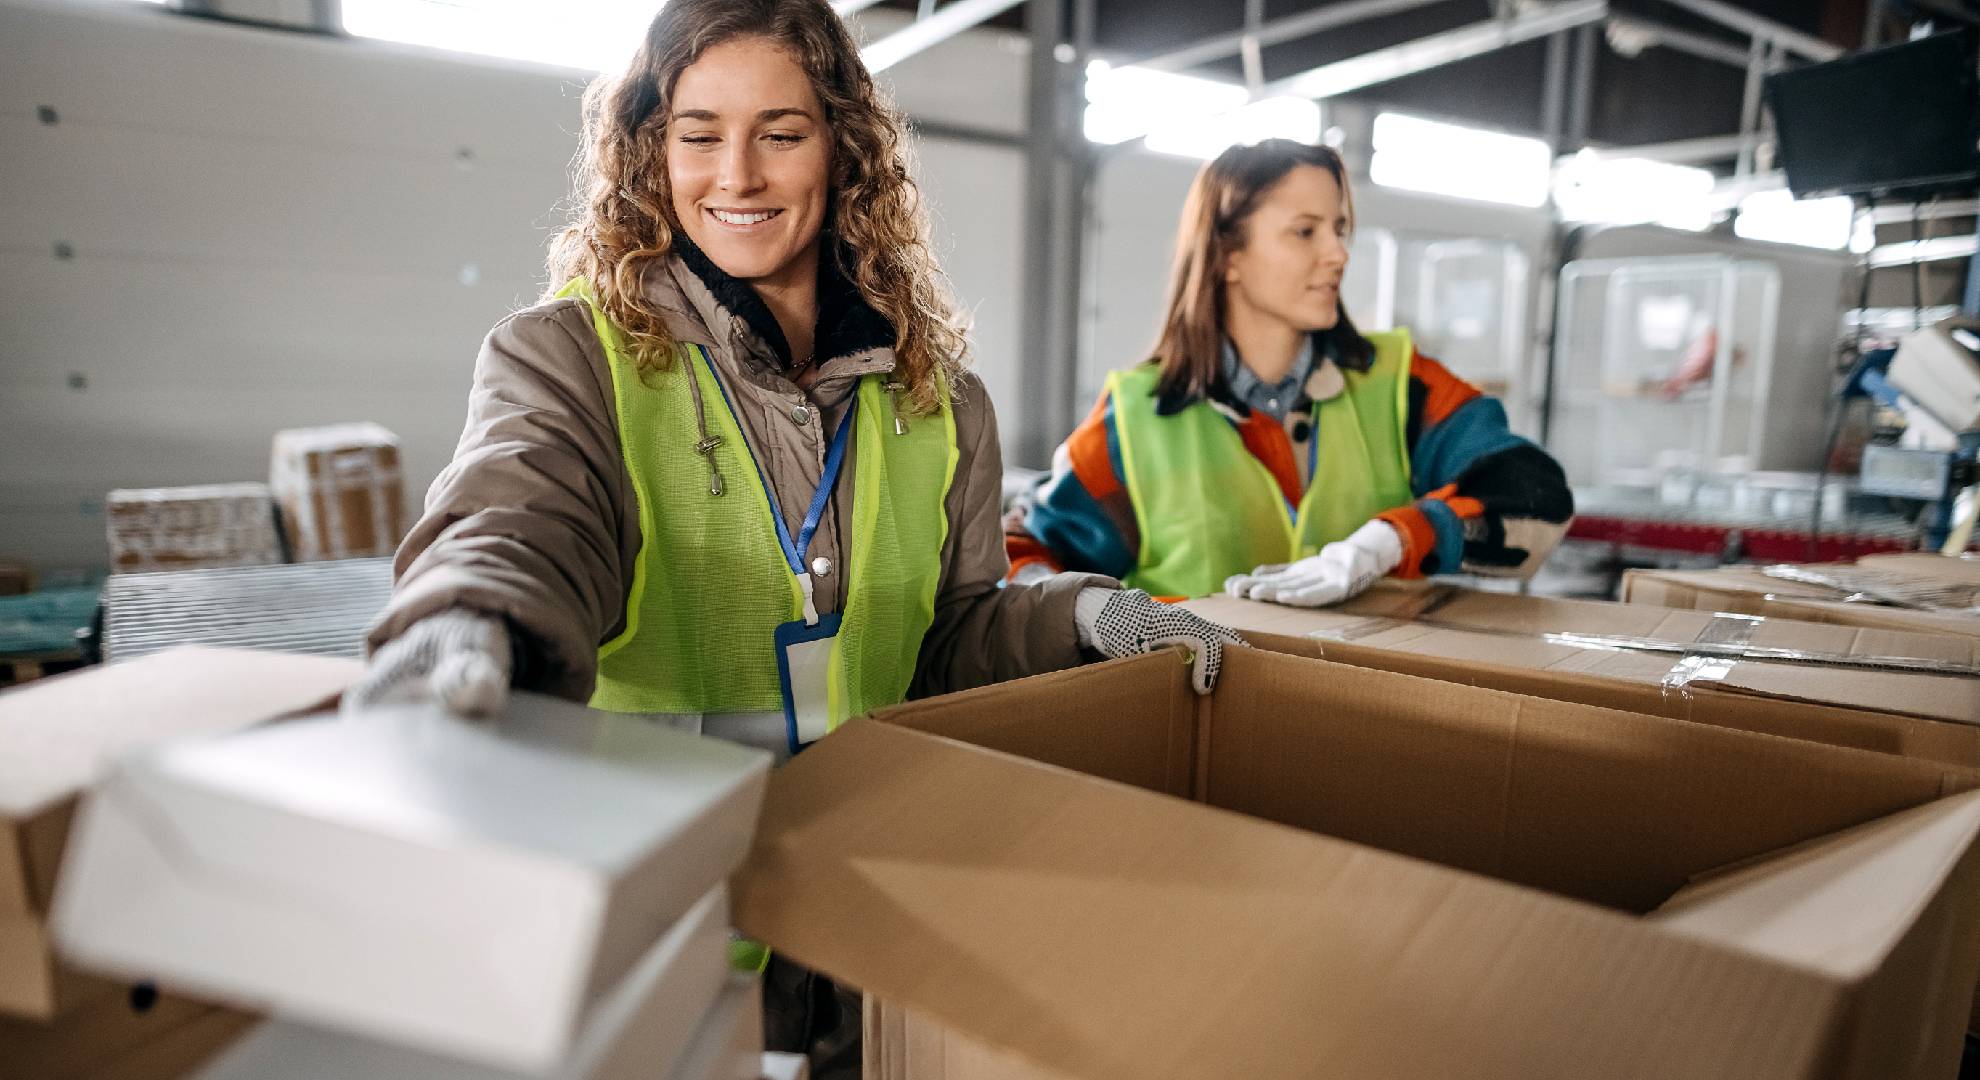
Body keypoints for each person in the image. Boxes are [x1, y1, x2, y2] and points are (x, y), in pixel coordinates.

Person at [342, 1, 1238, 1073]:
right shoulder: (571, 357)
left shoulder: (940, 402)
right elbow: (518, 517)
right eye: (697, 134)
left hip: (876, 929)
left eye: (781, 132)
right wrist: (467, 614)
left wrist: (1085, 610)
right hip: (675, 948)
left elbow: (948, 636)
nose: (738, 176)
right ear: (648, 152)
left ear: (843, 147)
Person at [1007, 140, 1573, 605]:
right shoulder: (1134, 421)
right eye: (1306, 232)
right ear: (1228, 254)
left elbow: (1535, 493)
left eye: (1340, 228)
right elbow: (1025, 551)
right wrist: (1089, 613)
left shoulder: (1401, 384)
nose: (1338, 254)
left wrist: (1391, 540)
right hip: (1187, 723)